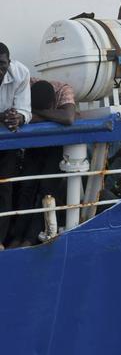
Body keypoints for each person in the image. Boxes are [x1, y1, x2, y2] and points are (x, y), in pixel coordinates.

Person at [9, 79, 75, 248]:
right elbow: (24, 119)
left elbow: (67, 118)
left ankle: (29, 239)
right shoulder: (24, 86)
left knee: (46, 193)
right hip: (34, 146)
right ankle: (17, 238)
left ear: (54, 102)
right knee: (26, 189)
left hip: (55, 146)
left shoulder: (63, 90)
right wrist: (50, 115)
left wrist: (35, 113)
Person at [0, 43, 31, 250]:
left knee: (4, 190)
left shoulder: (20, 73)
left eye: (1, 64)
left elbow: (25, 109)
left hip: (7, 142)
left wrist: (18, 117)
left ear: (9, 63)